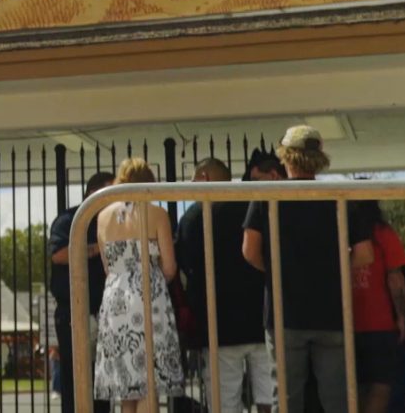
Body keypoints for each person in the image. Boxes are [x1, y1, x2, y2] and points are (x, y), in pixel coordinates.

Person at [242, 126, 373, 413]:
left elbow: (249, 250)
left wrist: (278, 271)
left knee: (287, 399)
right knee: (338, 398)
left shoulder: (267, 197)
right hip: (332, 312)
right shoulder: (338, 197)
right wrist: (335, 271)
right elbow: (364, 254)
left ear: (285, 158)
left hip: (284, 312)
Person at [178, 158, 277, 413]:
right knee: (271, 396)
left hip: (217, 325)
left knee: (224, 402)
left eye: (194, 179)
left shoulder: (193, 217)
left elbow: (185, 265)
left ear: (205, 177)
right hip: (260, 319)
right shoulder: (251, 206)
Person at [93, 159, 186, 412]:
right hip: (149, 294)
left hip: (115, 297)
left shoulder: (102, 217)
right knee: (149, 381)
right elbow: (169, 266)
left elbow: (106, 266)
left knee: (127, 385)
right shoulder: (156, 214)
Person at [48, 171, 115, 413]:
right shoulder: (70, 220)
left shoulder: (112, 220)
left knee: (103, 381)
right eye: (110, 191)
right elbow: (58, 254)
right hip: (74, 313)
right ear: (93, 192)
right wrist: (98, 248)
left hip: (104, 309)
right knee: (75, 379)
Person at [349, 201, 405, 413]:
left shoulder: (340, 229)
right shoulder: (384, 233)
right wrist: (401, 317)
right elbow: (396, 279)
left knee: (352, 387)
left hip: (345, 324)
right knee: (381, 387)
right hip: (380, 324)